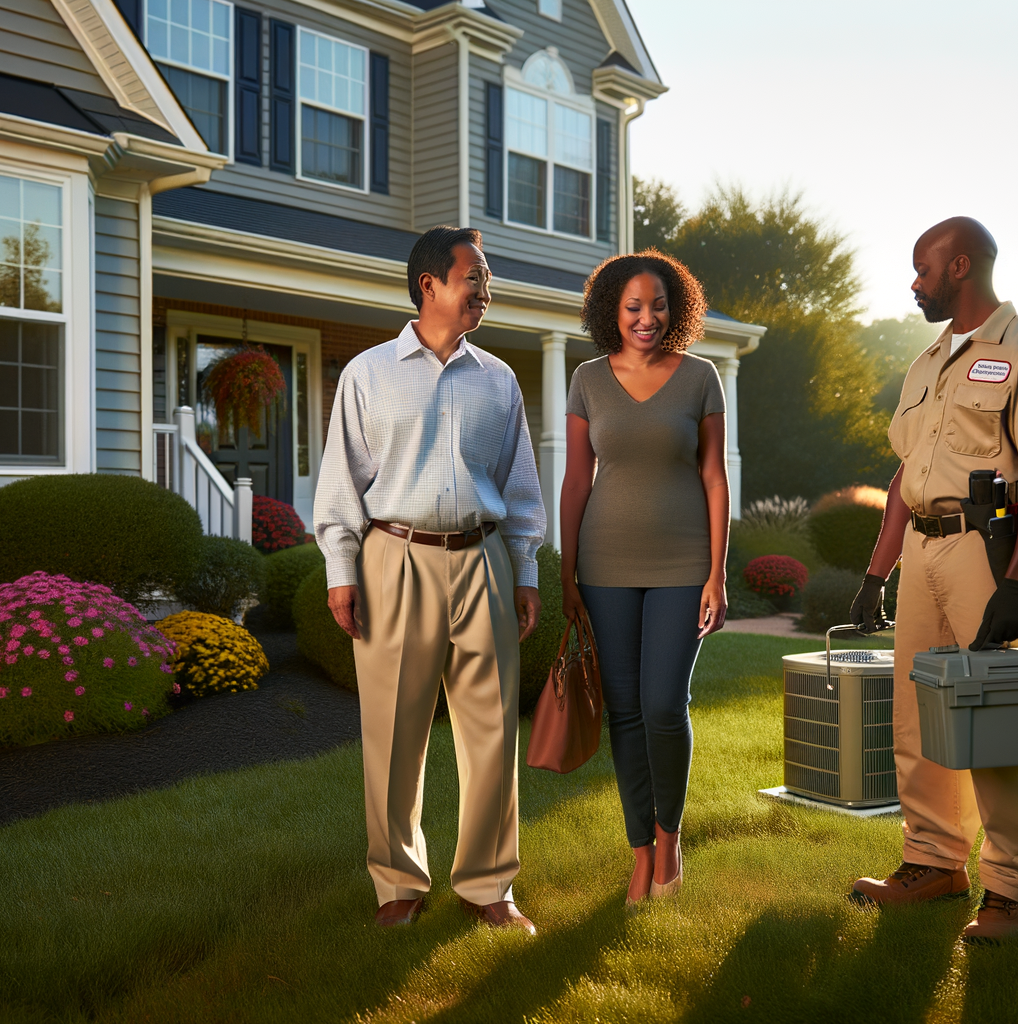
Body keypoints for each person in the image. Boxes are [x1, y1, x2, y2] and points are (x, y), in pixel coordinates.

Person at [846, 217, 1018, 943]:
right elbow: (904, 475)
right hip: (922, 551)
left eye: (923, 269)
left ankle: (1015, 891)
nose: (913, 283)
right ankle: (934, 863)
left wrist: (1014, 585)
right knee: (917, 717)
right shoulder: (926, 364)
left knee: (996, 719)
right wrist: (875, 573)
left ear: (962, 266)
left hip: (986, 549)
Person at [313, 225, 546, 934]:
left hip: (483, 561)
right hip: (395, 557)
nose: (485, 290)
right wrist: (341, 568)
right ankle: (396, 886)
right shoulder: (367, 373)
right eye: (474, 277)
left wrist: (527, 567)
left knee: (491, 733)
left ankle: (488, 887)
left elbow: (522, 485)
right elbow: (340, 481)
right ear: (430, 286)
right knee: (392, 732)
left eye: (486, 279)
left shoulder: (500, 379)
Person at [558, 250, 730, 909]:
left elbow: (714, 477)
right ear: (612, 311)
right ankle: (639, 853)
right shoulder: (587, 380)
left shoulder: (700, 378)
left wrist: (716, 573)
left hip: (684, 566)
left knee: (663, 705)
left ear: (675, 309)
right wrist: (568, 571)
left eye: (658, 305)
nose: (646, 317)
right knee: (624, 712)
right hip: (604, 567)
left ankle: (669, 835)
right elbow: (577, 480)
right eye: (633, 306)